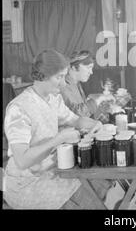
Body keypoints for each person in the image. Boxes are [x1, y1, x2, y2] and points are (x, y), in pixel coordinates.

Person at [3, 49, 120, 209]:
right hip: (26, 183)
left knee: (102, 179)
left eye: (64, 77)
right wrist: (59, 139)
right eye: (59, 77)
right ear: (42, 76)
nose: (64, 83)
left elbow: (76, 120)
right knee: (90, 202)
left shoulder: (53, 98)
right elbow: (22, 161)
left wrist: (94, 124)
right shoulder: (19, 108)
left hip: (52, 171)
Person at [60, 51, 108, 122]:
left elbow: (86, 115)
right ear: (74, 67)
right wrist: (98, 100)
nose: (91, 72)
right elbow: (77, 114)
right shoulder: (63, 86)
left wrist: (101, 107)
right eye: (88, 67)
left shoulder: (77, 84)